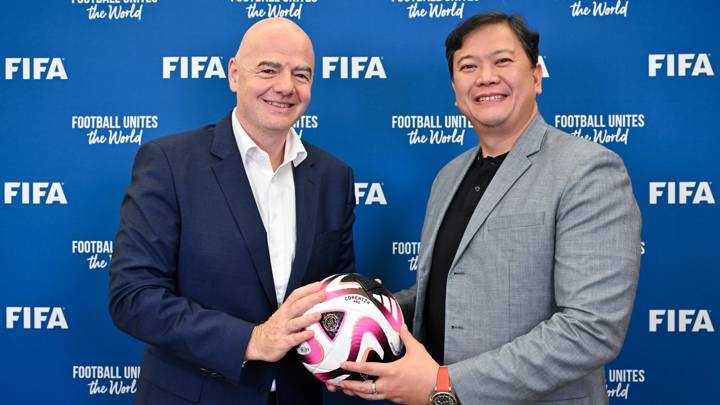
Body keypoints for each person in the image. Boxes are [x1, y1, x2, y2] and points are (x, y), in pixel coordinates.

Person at [332, 12, 641, 405]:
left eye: (503, 61)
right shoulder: (448, 176)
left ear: (536, 76)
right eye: (468, 66)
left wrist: (443, 383)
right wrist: (363, 317)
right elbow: (449, 294)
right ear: (456, 91)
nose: (486, 77)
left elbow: (591, 329)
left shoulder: (588, 170)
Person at [109, 18, 355, 405]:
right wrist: (252, 340)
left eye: (301, 74)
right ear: (234, 75)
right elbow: (133, 297)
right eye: (269, 70)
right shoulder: (170, 163)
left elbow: (335, 294)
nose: (286, 87)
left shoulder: (334, 176)